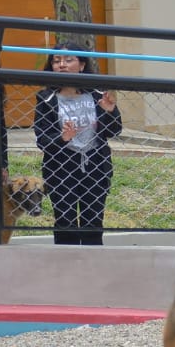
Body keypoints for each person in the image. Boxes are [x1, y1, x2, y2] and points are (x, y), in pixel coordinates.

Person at [34, 41, 122, 245]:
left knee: (93, 221)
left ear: (82, 66)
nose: (62, 65)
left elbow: (114, 130)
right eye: (56, 61)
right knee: (65, 221)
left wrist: (110, 112)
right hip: (61, 169)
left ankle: (92, 265)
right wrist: (62, 138)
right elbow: (42, 140)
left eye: (68, 60)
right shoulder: (46, 99)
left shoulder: (96, 95)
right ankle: (65, 267)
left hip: (96, 166)